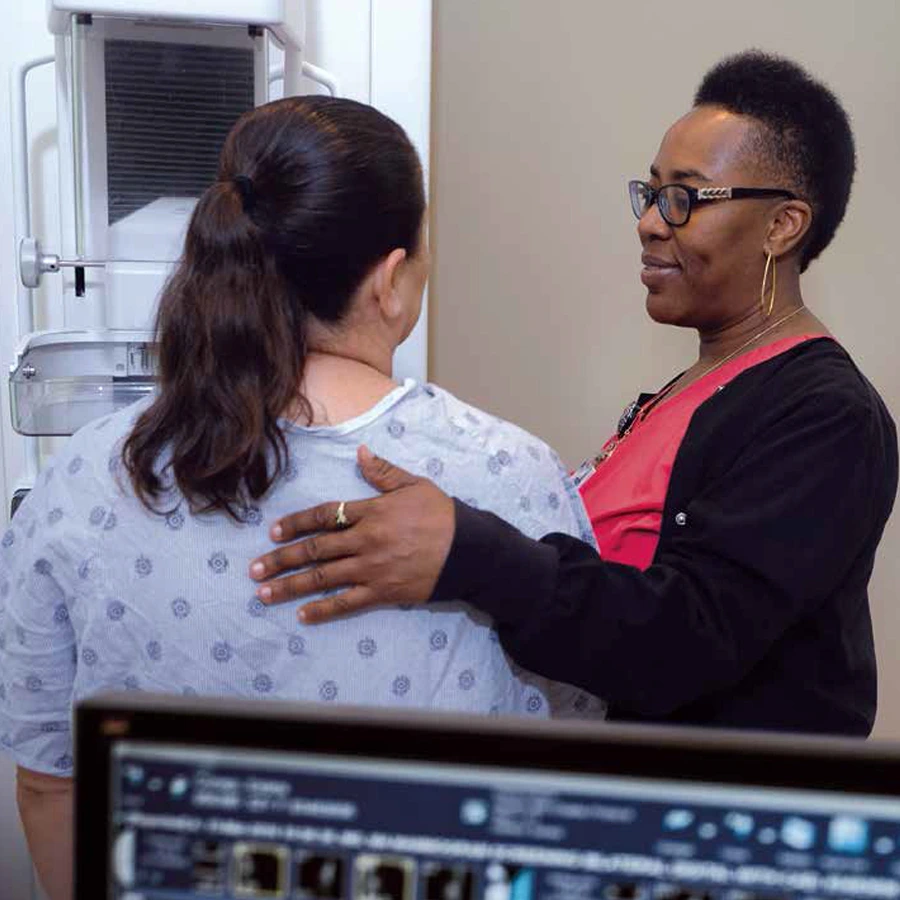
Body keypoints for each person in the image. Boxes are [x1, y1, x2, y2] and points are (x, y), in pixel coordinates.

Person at [0, 96, 603, 900]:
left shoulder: (88, 476)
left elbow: (49, 782)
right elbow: (574, 766)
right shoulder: (508, 475)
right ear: (392, 279)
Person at [249, 51, 898, 738]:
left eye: (683, 198)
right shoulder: (696, 389)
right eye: (649, 194)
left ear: (782, 226)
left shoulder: (828, 416)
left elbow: (688, 641)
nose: (650, 222)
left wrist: (469, 552)